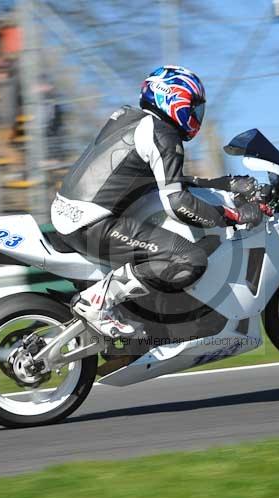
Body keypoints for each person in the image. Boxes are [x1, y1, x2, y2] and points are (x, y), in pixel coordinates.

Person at [51, 65, 263, 338]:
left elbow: (161, 181)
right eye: (193, 107)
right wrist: (231, 215)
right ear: (172, 98)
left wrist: (224, 184)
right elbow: (178, 203)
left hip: (68, 213)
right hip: (94, 224)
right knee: (189, 259)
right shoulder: (163, 134)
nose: (197, 115)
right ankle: (98, 303)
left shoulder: (128, 117)